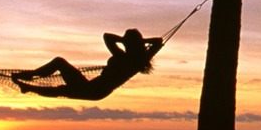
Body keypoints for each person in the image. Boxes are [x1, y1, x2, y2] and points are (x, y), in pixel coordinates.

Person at [11, 29, 163, 101]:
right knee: (62, 86)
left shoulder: (126, 58)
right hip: (93, 88)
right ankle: (28, 84)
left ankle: (30, 79)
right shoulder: (140, 59)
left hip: (94, 90)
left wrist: (128, 41)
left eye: (126, 41)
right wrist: (134, 41)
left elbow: (107, 37)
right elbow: (157, 42)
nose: (124, 43)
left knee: (60, 70)